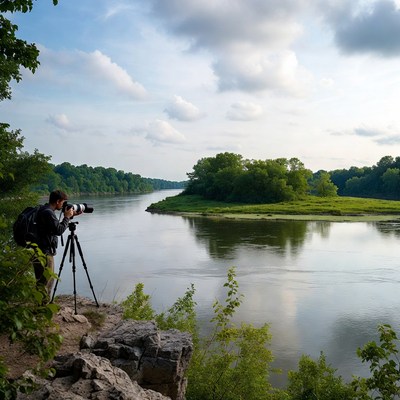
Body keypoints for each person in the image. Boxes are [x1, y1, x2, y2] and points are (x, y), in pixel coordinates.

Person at [34, 190, 75, 295]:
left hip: (39, 251)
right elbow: (59, 230)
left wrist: (69, 217)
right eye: (62, 202)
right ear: (57, 201)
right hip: (44, 253)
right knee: (46, 283)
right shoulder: (48, 213)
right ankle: (42, 309)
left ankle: (40, 307)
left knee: (42, 282)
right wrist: (66, 217)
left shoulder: (44, 210)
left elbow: (55, 227)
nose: (63, 205)